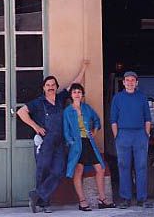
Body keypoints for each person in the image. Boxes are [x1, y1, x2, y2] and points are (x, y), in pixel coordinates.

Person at [17, 62, 88, 213]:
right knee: (43, 170)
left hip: (60, 141)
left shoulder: (61, 97)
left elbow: (74, 84)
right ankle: (44, 203)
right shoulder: (38, 102)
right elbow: (21, 112)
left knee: (59, 170)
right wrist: (35, 127)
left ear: (56, 87)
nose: (50, 87)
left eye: (53, 85)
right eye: (48, 85)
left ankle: (37, 194)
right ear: (44, 88)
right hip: (45, 141)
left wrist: (83, 68)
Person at [63, 83, 115, 211]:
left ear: (82, 95)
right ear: (71, 95)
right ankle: (82, 201)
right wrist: (71, 143)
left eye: (79, 92)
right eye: (74, 92)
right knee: (78, 171)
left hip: (89, 143)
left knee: (100, 168)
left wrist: (95, 131)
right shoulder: (67, 111)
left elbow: (97, 120)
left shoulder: (87, 108)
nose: (77, 94)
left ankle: (102, 199)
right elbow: (66, 131)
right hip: (77, 145)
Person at [110, 71, 154, 209]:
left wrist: (146, 134)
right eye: (127, 80)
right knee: (124, 167)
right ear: (123, 82)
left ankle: (142, 199)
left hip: (140, 135)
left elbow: (147, 117)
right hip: (123, 135)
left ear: (136, 83)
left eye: (132, 80)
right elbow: (113, 119)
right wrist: (117, 136)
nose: (130, 82)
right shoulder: (117, 98)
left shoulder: (142, 97)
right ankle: (126, 198)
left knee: (141, 167)